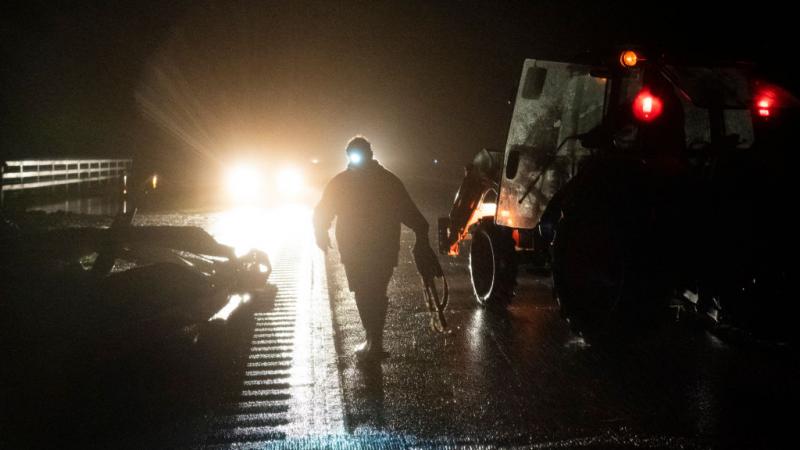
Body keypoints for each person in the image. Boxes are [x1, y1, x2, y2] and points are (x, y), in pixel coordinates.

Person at [313, 136, 429, 361]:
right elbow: (323, 211)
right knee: (372, 291)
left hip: (361, 249)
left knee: (367, 291)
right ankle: (374, 338)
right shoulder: (386, 181)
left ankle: (373, 339)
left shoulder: (345, 182)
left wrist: (321, 233)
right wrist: (421, 233)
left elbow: (322, 212)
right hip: (377, 248)